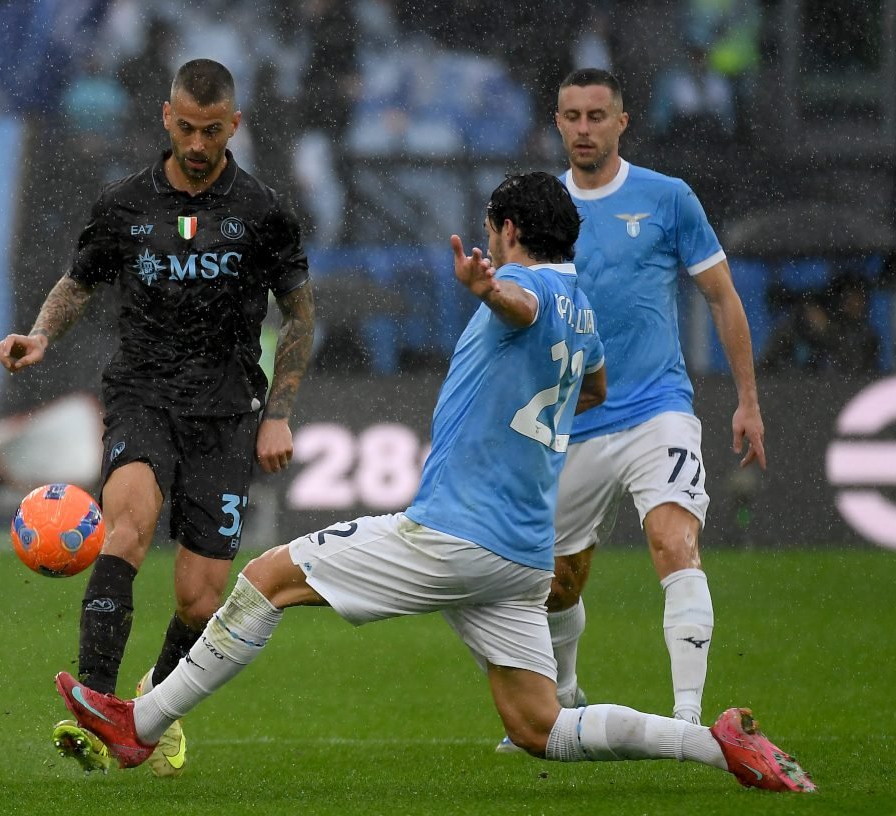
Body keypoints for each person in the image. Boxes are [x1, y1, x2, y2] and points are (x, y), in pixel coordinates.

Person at [51, 172, 816, 794]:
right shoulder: (582, 308)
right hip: (521, 557)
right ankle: (713, 745)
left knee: (264, 580)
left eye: (491, 229)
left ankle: (139, 726)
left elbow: (520, 307)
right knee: (539, 726)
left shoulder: (529, 291)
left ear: (508, 231)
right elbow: (595, 389)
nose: (489, 242)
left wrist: (487, 291)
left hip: (455, 533)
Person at [0, 59, 315, 778]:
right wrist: (41, 335)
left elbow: (300, 315)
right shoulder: (124, 204)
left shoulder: (263, 211)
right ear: (167, 118)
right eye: (187, 128)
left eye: (212, 131)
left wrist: (279, 414)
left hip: (228, 412)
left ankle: (150, 708)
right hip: (141, 396)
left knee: (200, 600)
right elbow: (79, 283)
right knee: (129, 526)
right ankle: (94, 701)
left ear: (234, 126)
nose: (197, 144)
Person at [493, 68, 767, 747]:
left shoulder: (667, 198)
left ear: (622, 122)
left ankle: (688, 719)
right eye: (571, 117)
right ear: (557, 123)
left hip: (655, 408)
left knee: (674, 542)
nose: (583, 129)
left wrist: (748, 401)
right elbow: (518, 312)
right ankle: (564, 698)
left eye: (596, 116)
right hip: (573, 418)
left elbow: (722, 296)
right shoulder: (541, 208)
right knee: (555, 583)